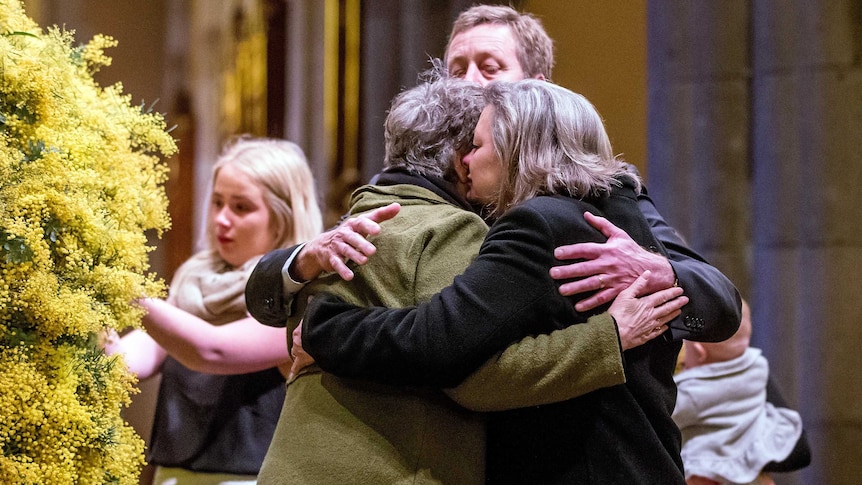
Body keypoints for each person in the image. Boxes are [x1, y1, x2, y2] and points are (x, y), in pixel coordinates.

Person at [252, 74, 686, 485]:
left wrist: (324, 329)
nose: (467, 161)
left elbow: (444, 345)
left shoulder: (534, 223)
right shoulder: (622, 219)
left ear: (515, 147)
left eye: (477, 146)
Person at [246, 4, 740, 345]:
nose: (467, 84)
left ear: (535, 88)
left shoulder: (598, 188)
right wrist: (304, 260)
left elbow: (721, 305)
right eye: (455, 67)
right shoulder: (414, 179)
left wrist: (663, 275)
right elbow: (272, 300)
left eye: (489, 67)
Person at [108, 137, 323, 484]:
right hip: (172, 475)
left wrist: (121, 288)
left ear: (282, 218)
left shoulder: (297, 294)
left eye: (241, 208)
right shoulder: (194, 279)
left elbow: (211, 349)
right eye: (218, 202)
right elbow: (130, 360)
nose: (222, 219)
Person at [673, 299, 810, 485]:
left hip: (710, 470)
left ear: (699, 351)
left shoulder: (695, 391)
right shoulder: (757, 365)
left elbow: (663, 417)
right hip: (751, 468)